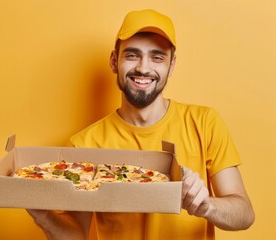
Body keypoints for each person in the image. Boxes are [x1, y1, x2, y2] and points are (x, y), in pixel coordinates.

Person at [27, 9, 255, 240]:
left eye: (157, 57)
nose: (144, 68)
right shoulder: (85, 144)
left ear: (172, 65)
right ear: (114, 60)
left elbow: (244, 213)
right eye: (132, 55)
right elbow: (76, 236)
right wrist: (41, 214)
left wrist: (205, 206)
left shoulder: (205, 123)